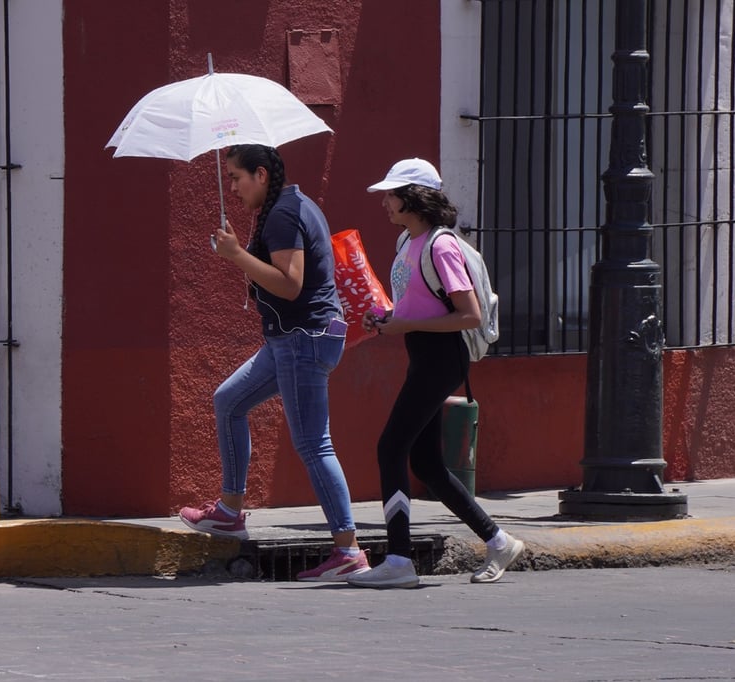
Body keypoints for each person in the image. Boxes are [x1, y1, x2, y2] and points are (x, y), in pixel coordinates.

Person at [179, 144, 368, 582]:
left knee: (313, 444)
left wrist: (238, 256)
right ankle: (229, 511)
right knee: (229, 400)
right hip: (292, 338)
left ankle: (349, 551)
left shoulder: (284, 213)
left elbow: (290, 284)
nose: (232, 187)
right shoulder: (287, 205)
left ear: (260, 175)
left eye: (236, 178)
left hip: (303, 339)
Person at [347, 158, 525, 588]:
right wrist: (387, 318)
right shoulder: (407, 241)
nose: (385, 202)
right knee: (424, 462)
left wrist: (404, 325)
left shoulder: (440, 246)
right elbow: (418, 306)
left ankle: (398, 560)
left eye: (392, 194)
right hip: (424, 354)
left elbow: (469, 314)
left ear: (414, 198)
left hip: (442, 357)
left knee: (391, 447)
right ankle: (498, 540)